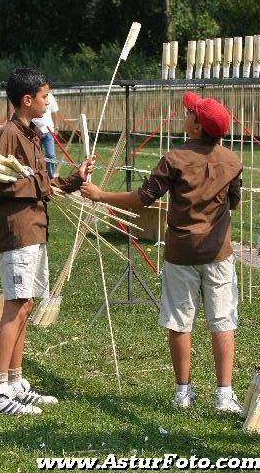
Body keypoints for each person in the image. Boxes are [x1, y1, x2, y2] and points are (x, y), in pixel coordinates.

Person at [81, 91, 243, 413]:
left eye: (190, 113)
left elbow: (143, 199)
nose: (184, 116)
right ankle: (224, 395)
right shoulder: (233, 161)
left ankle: (183, 392)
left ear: (197, 127)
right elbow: (233, 202)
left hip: (180, 254)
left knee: (180, 322)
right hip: (218, 254)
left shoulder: (174, 159)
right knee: (223, 321)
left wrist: (100, 195)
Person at [0, 68, 93, 415]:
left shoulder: (30, 134)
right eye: (45, 96)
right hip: (17, 231)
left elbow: (43, 182)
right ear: (27, 100)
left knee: (25, 304)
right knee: (15, 305)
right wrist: (41, 186)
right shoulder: (9, 135)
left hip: (34, 228)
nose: (49, 101)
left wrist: (74, 180)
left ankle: (14, 382)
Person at [33, 92, 59, 178]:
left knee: (51, 155)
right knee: (36, 155)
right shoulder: (33, 95)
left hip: (48, 131)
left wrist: (56, 127)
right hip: (35, 131)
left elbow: (54, 112)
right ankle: (39, 176)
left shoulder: (50, 96)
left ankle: (51, 176)